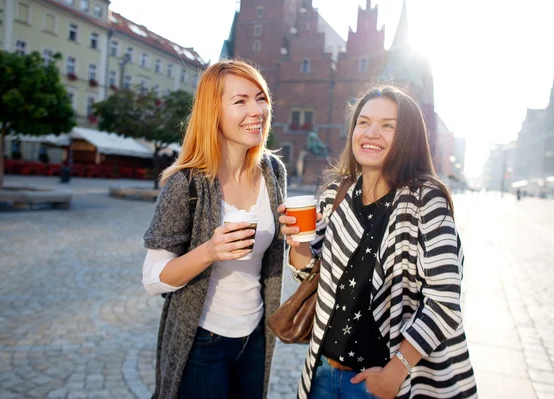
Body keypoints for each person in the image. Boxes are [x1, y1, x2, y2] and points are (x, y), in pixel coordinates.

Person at [279, 86, 477, 399]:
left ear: (407, 138)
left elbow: (444, 299)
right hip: (324, 372)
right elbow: (310, 275)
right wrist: (298, 244)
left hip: (385, 382)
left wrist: (395, 372)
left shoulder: (425, 201)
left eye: (388, 126)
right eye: (364, 122)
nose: (372, 133)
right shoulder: (336, 194)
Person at [142, 59, 286, 399]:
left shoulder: (273, 171)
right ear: (214, 112)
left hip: (255, 336)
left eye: (260, 97)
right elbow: (152, 279)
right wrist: (209, 251)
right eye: (240, 101)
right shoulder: (185, 183)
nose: (257, 110)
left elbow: (276, 256)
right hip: (202, 340)